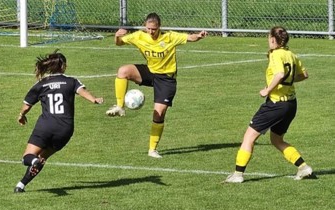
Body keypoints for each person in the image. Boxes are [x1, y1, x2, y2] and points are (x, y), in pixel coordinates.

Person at [105, 12, 208, 158]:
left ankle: (152, 149)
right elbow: (120, 42)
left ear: (159, 27)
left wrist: (199, 35)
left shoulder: (169, 37)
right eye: (148, 28)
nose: (151, 32)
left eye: (154, 29)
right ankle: (119, 106)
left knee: (158, 114)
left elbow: (189, 37)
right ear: (145, 26)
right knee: (123, 71)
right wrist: (117, 36)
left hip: (166, 78)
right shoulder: (139, 36)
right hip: (150, 72)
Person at [224, 26, 313, 183]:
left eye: (268, 38)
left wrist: (267, 89)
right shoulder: (290, 54)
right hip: (291, 104)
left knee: (249, 137)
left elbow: (279, 74)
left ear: (273, 39)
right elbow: (304, 75)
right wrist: (289, 81)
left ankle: (237, 175)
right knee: (277, 140)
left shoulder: (276, 54)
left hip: (276, 104)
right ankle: (303, 167)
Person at [14, 50, 103, 193]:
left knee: (27, 158)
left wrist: (21, 115)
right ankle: (21, 185)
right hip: (65, 129)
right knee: (43, 157)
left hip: (46, 126)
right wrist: (94, 100)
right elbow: (82, 91)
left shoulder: (41, 84)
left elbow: (26, 106)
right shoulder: (71, 81)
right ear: (64, 66)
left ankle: (32, 164)